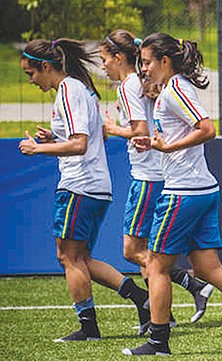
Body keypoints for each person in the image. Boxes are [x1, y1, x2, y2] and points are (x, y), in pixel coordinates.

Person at [121, 33, 222, 356]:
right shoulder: (173, 89)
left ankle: (158, 342)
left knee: (155, 265)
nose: (143, 69)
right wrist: (156, 144)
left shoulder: (175, 89)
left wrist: (168, 146)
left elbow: (207, 129)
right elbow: (183, 134)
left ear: (165, 61)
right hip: (202, 190)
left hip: (183, 192)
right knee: (207, 268)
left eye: (147, 62)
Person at [18, 38, 150, 341]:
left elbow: (80, 144)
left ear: (46, 67)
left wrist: (39, 150)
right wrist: (53, 137)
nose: (31, 80)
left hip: (79, 185)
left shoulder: (68, 91)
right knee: (81, 257)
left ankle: (89, 328)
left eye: (31, 74)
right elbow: (90, 136)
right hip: (94, 186)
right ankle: (140, 298)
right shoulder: (80, 89)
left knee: (68, 258)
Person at [100, 29, 213, 331]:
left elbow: (139, 130)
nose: (103, 66)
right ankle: (160, 314)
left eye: (104, 59)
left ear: (119, 58)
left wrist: (112, 127)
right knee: (149, 253)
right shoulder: (148, 82)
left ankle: (187, 288)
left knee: (137, 251)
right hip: (159, 172)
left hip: (149, 174)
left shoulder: (130, 86)